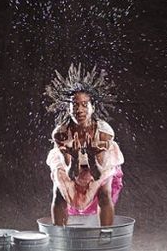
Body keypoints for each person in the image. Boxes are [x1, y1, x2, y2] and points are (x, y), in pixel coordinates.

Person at [45, 65, 124, 227]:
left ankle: (106, 235)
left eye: (84, 104)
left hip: (98, 166)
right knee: (58, 194)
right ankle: (60, 236)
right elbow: (69, 173)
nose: (79, 110)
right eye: (74, 105)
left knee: (104, 193)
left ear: (92, 107)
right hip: (70, 167)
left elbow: (98, 174)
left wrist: (92, 155)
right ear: (68, 109)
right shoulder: (61, 134)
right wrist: (74, 158)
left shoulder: (103, 133)